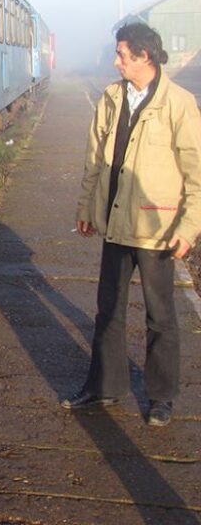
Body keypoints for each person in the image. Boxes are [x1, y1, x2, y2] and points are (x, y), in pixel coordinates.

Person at [64, 22, 201, 426]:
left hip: (158, 230)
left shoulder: (179, 104)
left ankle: (161, 397)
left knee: (160, 316)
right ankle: (104, 386)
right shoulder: (110, 99)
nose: (116, 60)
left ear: (144, 56)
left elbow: (196, 174)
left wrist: (188, 228)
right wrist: (86, 206)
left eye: (122, 53)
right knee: (108, 310)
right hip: (116, 223)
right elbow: (94, 160)